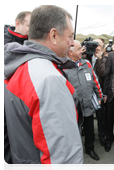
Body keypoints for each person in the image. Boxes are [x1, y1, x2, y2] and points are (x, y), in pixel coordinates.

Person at [4, 5, 83, 170]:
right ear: (53, 35)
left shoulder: (19, 65)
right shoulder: (49, 79)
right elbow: (63, 158)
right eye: (70, 36)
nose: (71, 43)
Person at [64, 40, 102, 161]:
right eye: (79, 48)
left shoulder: (87, 64)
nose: (83, 50)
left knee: (90, 129)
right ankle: (74, 152)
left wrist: (100, 96)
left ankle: (89, 148)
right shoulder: (63, 67)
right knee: (74, 131)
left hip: (88, 105)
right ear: (70, 52)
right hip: (73, 108)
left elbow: (95, 81)